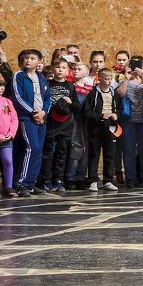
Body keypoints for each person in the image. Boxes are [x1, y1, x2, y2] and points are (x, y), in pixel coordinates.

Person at [11, 49, 49, 195]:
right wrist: (34, 113)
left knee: (38, 150)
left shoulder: (42, 78)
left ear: (39, 62)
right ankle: (21, 183)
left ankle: (31, 183)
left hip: (41, 118)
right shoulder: (19, 76)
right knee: (31, 148)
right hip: (27, 118)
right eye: (26, 58)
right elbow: (18, 98)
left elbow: (48, 98)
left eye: (32, 58)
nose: (28, 60)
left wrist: (44, 112)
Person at [42, 58, 80, 193]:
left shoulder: (70, 86)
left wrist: (70, 102)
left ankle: (58, 179)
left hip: (66, 125)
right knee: (48, 153)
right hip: (51, 125)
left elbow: (77, 106)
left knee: (62, 154)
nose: (60, 70)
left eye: (63, 68)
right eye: (57, 67)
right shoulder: (46, 84)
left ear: (67, 70)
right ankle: (46, 180)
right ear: (52, 69)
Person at [81, 68, 121, 191]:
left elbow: (120, 108)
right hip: (96, 127)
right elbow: (87, 111)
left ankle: (108, 180)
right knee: (94, 154)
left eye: (111, 79)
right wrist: (100, 116)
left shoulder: (114, 93)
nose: (109, 81)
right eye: (107, 79)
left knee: (110, 154)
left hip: (110, 127)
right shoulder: (93, 94)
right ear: (100, 79)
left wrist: (116, 114)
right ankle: (93, 180)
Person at [117, 56, 143, 188]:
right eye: (133, 65)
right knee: (128, 150)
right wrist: (126, 78)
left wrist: (142, 77)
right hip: (128, 121)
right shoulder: (122, 80)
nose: (135, 68)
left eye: (139, 65)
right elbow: (120, 94)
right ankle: (130, 178)